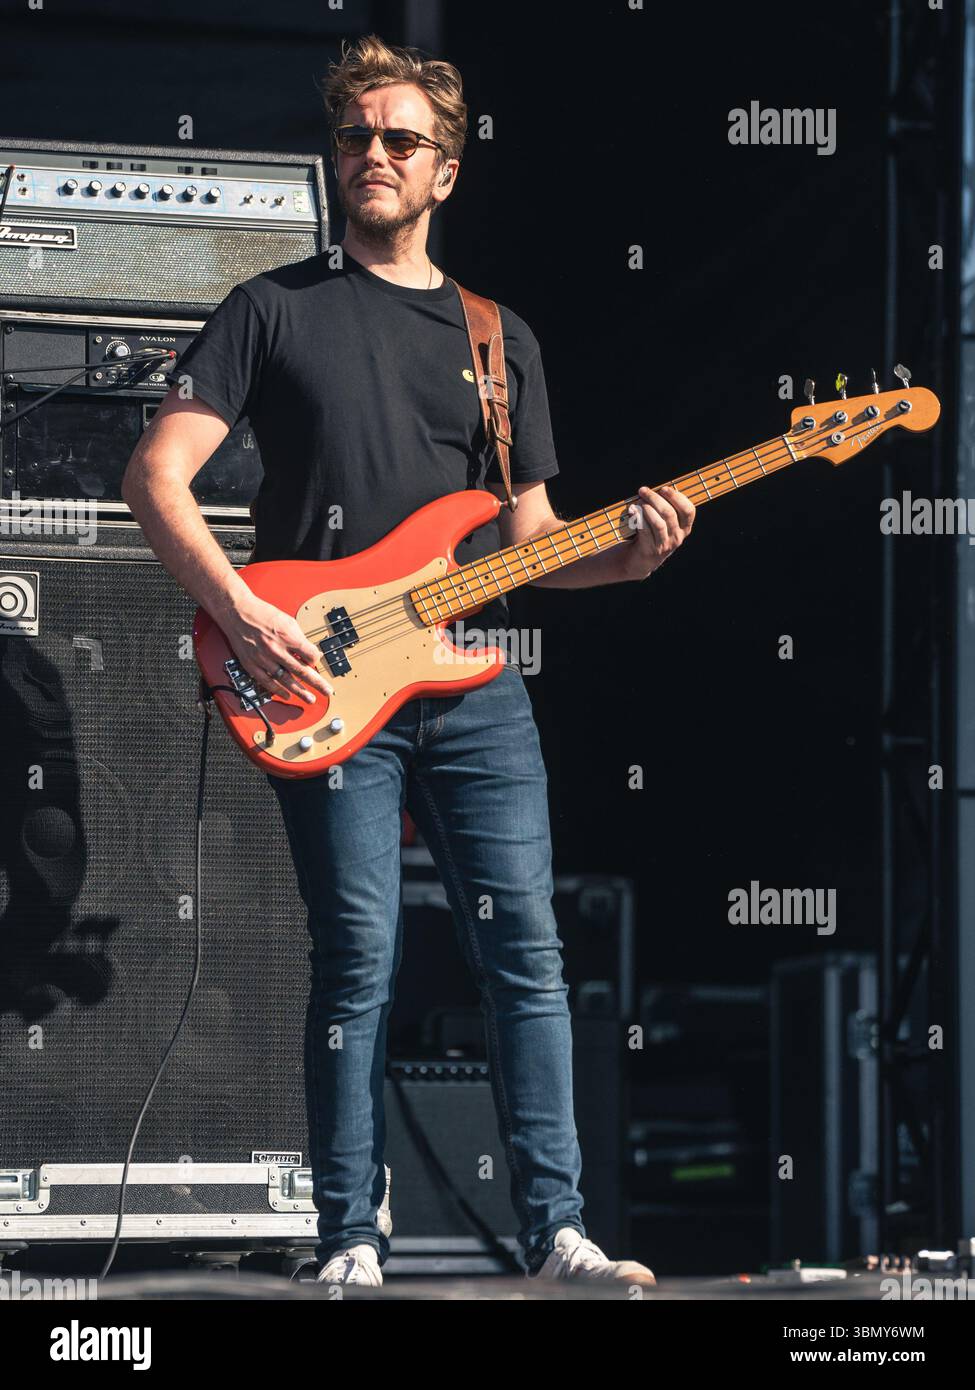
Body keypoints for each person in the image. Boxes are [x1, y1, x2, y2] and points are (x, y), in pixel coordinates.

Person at [121, 33, 695, 1288]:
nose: (370, 155)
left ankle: (557, 1232)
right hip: (318, 675)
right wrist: (242, 608)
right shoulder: (271, 309)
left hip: (472, 678)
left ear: (447, 170)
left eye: (398, 140)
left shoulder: (500, 339)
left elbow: (533, 548)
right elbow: (155, 477)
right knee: (359, 952)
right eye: (353, 136)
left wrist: (632, 560)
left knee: (527, 951)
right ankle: (350, 1236)